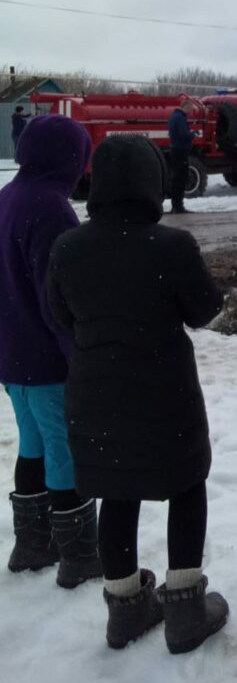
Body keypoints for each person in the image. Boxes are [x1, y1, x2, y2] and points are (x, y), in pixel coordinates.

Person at [47, 135, 228, 652]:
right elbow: (205, 310)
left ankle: (124, 610)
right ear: (153, 180)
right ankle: (186, 610)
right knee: (186, 486)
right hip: (163, 395)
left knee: (117, 491)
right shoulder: (169, 245)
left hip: (94, 393)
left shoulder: (68, 246)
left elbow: (60, 314)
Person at [0, 114, 102, 588]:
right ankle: (78, 556)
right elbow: (55, 297)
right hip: (45, 359)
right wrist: (78, 355)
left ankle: (31, 544)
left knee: (34, 442)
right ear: (68, 159)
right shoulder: (51, 208)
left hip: (10, 356)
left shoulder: (6, 198)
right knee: (65, 449)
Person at [167, 100, 196, 214]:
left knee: (176, 179)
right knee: (181, 179)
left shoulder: (173, 116)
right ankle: (179, 206)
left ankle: (175, 206)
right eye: (190, 109)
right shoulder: (180, 118)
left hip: (175, 149)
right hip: (181, 151)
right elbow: (184, 134)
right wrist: (193, 134)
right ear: (186, 107)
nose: (190, 112)